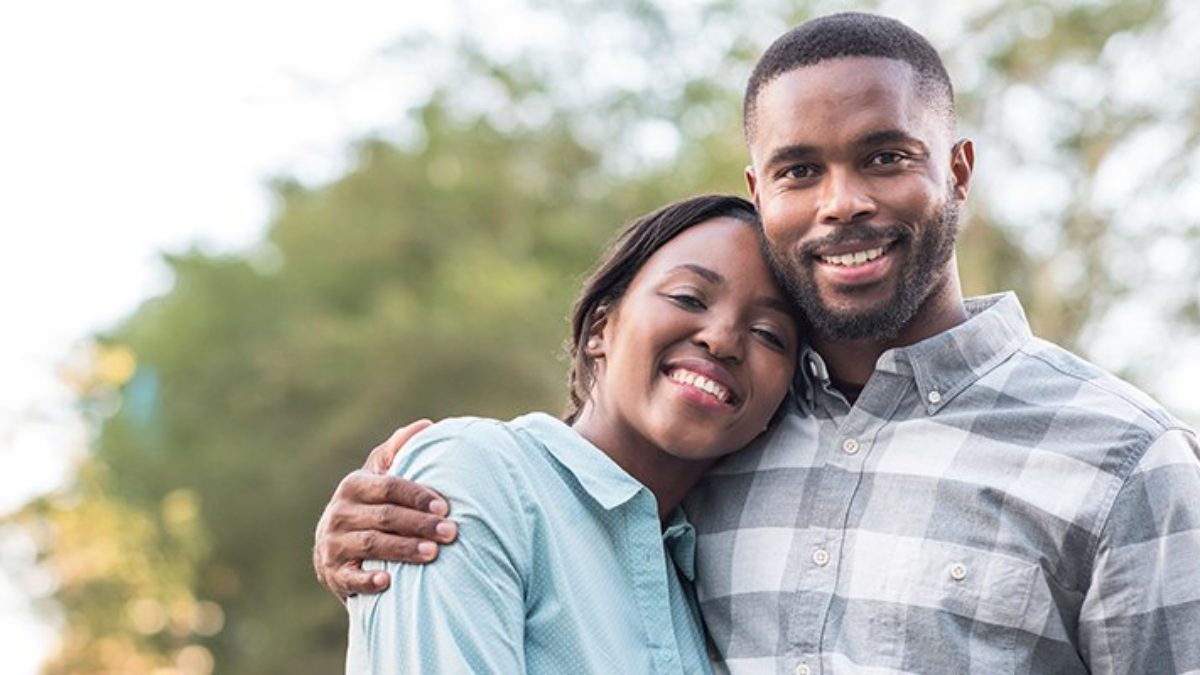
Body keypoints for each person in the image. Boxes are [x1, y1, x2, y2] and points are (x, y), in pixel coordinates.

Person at [316, 12, 1200, 674]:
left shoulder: (1126, 462)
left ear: (957, 169)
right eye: (799, 169)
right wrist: (386, 519)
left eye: (886, 157)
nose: (841, 200)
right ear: (760, 185)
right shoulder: (728, 442)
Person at [342, 194, 801, 673]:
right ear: (600, 328)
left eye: (769, 333)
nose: (723, 339)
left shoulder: (705, 583)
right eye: (688, 298)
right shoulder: (476, 474)